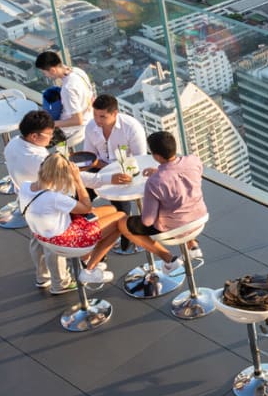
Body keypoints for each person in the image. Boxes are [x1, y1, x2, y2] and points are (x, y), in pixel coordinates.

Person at [5, 110, 109, 292]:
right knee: (53, 244)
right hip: (46, 199)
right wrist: (104, 179)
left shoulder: (13, 144)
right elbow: (71, 178)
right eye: (49, 134)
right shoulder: (40, 159)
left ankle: (42, 276)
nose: (52, 136)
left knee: (37, 238)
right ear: (34, 136)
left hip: (27, 196)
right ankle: (60, 282)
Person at [19, 153, 127, 283]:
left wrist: (109, 179)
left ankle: (86, 257)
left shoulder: (25, 186)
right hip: (67, 242)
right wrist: (78, 181)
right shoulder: (53, 197)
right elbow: (86, 207)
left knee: (112, 210)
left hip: (44, 238)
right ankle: (89, 270)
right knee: (121, 218)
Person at [116, 131, 207, 270]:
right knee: (182, 200)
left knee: (123, 224)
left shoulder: (154, 182)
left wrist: (159, 176)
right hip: (198, 219)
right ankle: (193, 246)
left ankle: (169, 259)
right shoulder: (194, 160)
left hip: (174, 229)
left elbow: (148, 221)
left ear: (156, 156)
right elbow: (182, 178)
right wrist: (160, 172)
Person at [35, 50, 94, 146]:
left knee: (33, 140)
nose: (45, 76)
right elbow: (91, 95)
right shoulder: (78, 72)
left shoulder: (68, 89)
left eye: (44, 73)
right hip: (89, 116)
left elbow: (77, 121)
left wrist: (51, 124)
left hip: (71, 130)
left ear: (53, 70)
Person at [82, 93, 148, 167]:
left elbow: (141, 159)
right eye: (95, 115)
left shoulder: (132, 127)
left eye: (102, 116)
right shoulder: (90, 127)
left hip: (129, 168)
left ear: (114, 113)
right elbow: (89, 156)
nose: (97, 120)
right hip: (100, 169)